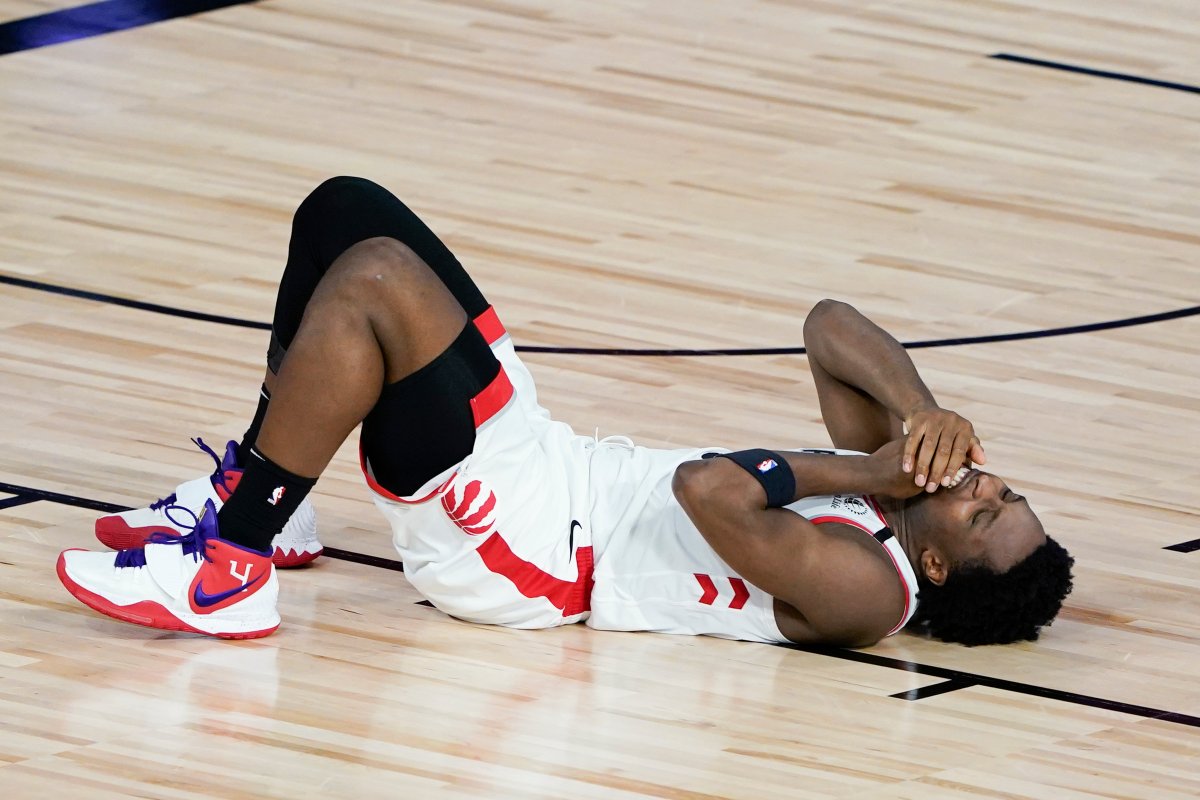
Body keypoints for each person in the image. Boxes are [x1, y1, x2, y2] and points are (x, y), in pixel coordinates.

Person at [56, 177, 1074, 647]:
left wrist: (877, 468)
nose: (983, 485)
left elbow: (707, 490)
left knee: (373, 280)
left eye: (982, 511)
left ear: (938, 562)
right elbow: (830, 326)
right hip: (552, 461)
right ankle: (265, 500)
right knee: (343, 212)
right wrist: (925, 414)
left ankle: (229, 565)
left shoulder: (871, 591)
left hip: (532, 555)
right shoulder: (896, 494)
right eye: (1004, 485)